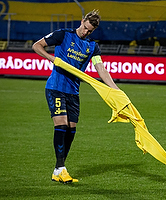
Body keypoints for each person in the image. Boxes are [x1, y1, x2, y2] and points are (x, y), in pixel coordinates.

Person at [32, 10, 119, 183]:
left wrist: (116, 90)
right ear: (82, 21)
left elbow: (100, 68)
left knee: (71, 129)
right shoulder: (63, 35)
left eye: (90, 31)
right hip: (56, 87)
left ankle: (59, 169)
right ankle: (60, 168)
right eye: (85, 28)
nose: (86, 32)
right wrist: (52, 59)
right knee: (62, 124)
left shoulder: (92, 46)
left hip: (73, 91)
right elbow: (36, 46)